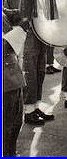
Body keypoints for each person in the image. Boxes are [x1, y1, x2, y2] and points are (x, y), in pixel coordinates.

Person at [3, 11, 26, 156]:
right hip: (5, 82)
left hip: (12, 78)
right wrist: (19, 31)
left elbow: (8, 14)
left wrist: (23, 13)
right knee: (5, 127)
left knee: (16, 123)